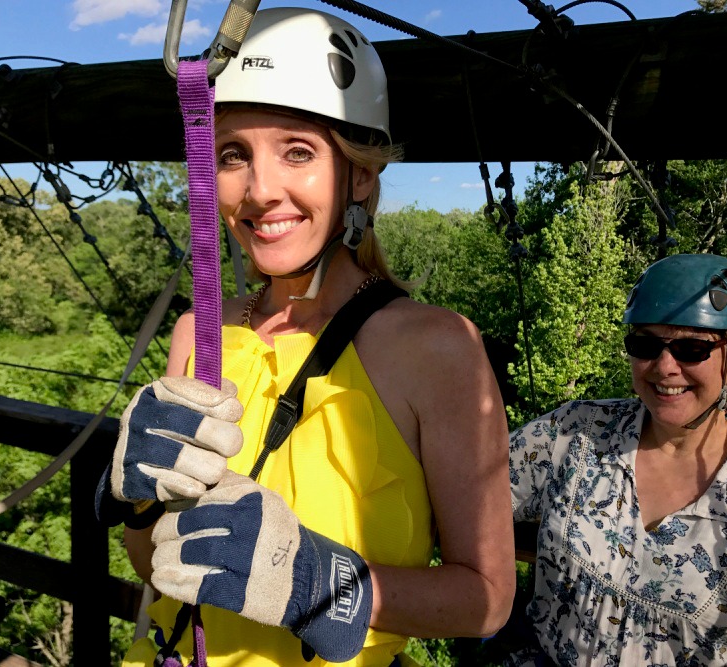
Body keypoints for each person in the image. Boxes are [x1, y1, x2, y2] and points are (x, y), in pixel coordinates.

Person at [95, 7, 515, 666]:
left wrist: (324, 585)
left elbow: (486, 597)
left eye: (298, 151)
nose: (261, 191)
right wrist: (142, 505)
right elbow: (157, 566)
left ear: (361, 174)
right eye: (234, 154)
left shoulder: (436, 348)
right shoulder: (198, 335)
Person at [508, 253, 727, 665]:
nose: (664, 367)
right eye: (645, 344)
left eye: (691, 348)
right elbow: (465, 491)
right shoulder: (574, 434)